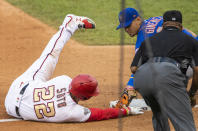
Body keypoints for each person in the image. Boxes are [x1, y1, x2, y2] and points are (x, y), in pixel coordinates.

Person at [4, 14, 144, 123]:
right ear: (85, 97)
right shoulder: (71, 112)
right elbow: (100, 114)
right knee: (49, 59)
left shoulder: (64, 81)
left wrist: (127, 111)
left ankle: (69, 25)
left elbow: (100, 113)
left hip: (21, 85)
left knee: (50, 56)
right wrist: (127, 111)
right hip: (10, 108)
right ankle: (70, 23)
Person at [131, 10, 198, 131]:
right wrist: (192, 94)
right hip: (168, 75)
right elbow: (197, 70)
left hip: (142, 78)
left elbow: (134, 68)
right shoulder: (190, 40)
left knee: (158, 114)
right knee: (184, 121)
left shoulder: (147, 41)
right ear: (181, 27)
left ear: (163, 26)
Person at [116, 8, 198, 91]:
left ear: (138, 19)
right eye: (124, 27)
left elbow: (137, 67)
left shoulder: (143, 37)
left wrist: (130, 85)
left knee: (155, 73)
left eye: (128, 26)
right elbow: (184, 30)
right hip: (190, 54)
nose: (126, 30)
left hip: (187, 65)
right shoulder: (155, 20)